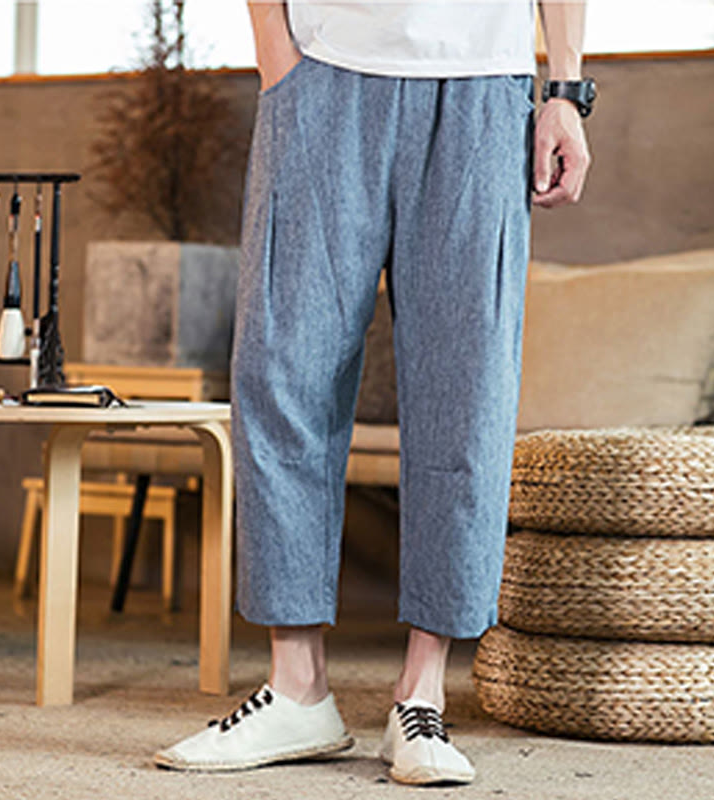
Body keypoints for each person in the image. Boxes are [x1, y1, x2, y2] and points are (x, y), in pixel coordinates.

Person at [155, 0, 592, 785]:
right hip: (321, 74)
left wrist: (565, 89)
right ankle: (297, 688)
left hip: (481, 86)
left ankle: (422, 696)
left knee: (466, 390)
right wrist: (275, 52)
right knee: (283, 371)